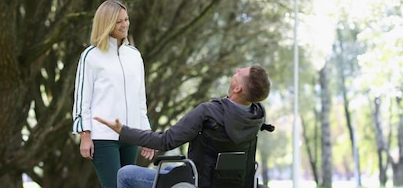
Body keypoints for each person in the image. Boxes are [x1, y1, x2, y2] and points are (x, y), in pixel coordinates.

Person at [94, 65, 272, 188]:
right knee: (171, 169)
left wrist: (122, 131)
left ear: (238, 89)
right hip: (236, 183)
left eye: (240, 73)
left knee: (125, 174)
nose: (237, 70)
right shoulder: (256, 116)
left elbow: (166, 141)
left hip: (196, 182)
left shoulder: (209, 111)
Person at [72, 0, 155, 188]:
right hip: (103, 137)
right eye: (119, 21)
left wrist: (147, 135)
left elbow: (140, 100)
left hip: (131, 135)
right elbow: (82, 99)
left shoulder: (134, 56)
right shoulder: (91, 56)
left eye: (126, 19)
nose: (125, 24)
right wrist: (85, 135)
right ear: (106, 23)